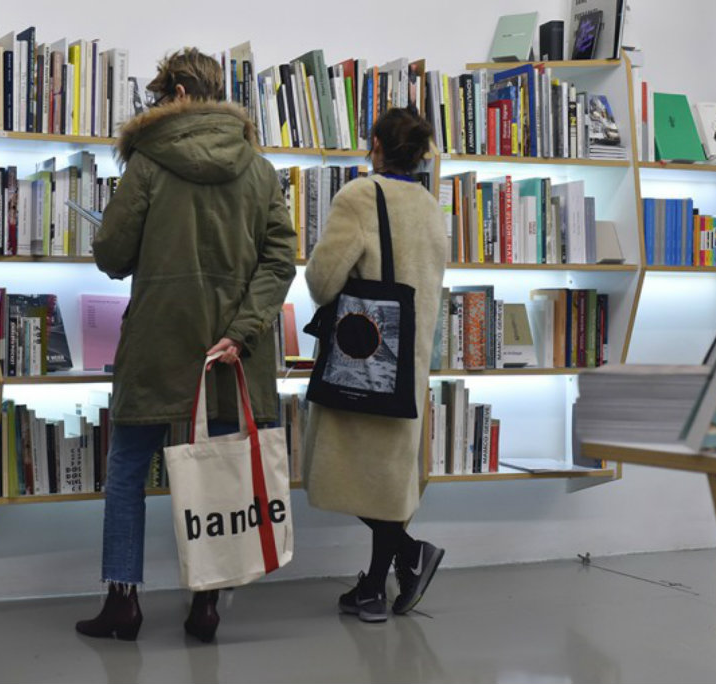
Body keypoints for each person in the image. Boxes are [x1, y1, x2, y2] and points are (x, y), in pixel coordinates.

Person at [76, 48, 296, 642]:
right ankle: (206, 605)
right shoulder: (260, 169)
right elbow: (280, 262)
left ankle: (123, 604)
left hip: (157, 345)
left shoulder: (147, 165)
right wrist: (240, 331)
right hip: (231, 359)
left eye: (156, 94)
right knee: (218, 477)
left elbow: (112, 257)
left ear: (175, 93)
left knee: (126, 470)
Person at [302, 107, 448, 623]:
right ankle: (371, 588)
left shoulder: (360, 196)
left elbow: (322, 282)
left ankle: (406, 558)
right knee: (387, 479)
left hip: (362, 360)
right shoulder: (432, 206)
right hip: (409, 363)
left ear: (375, 145)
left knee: (341, 472)